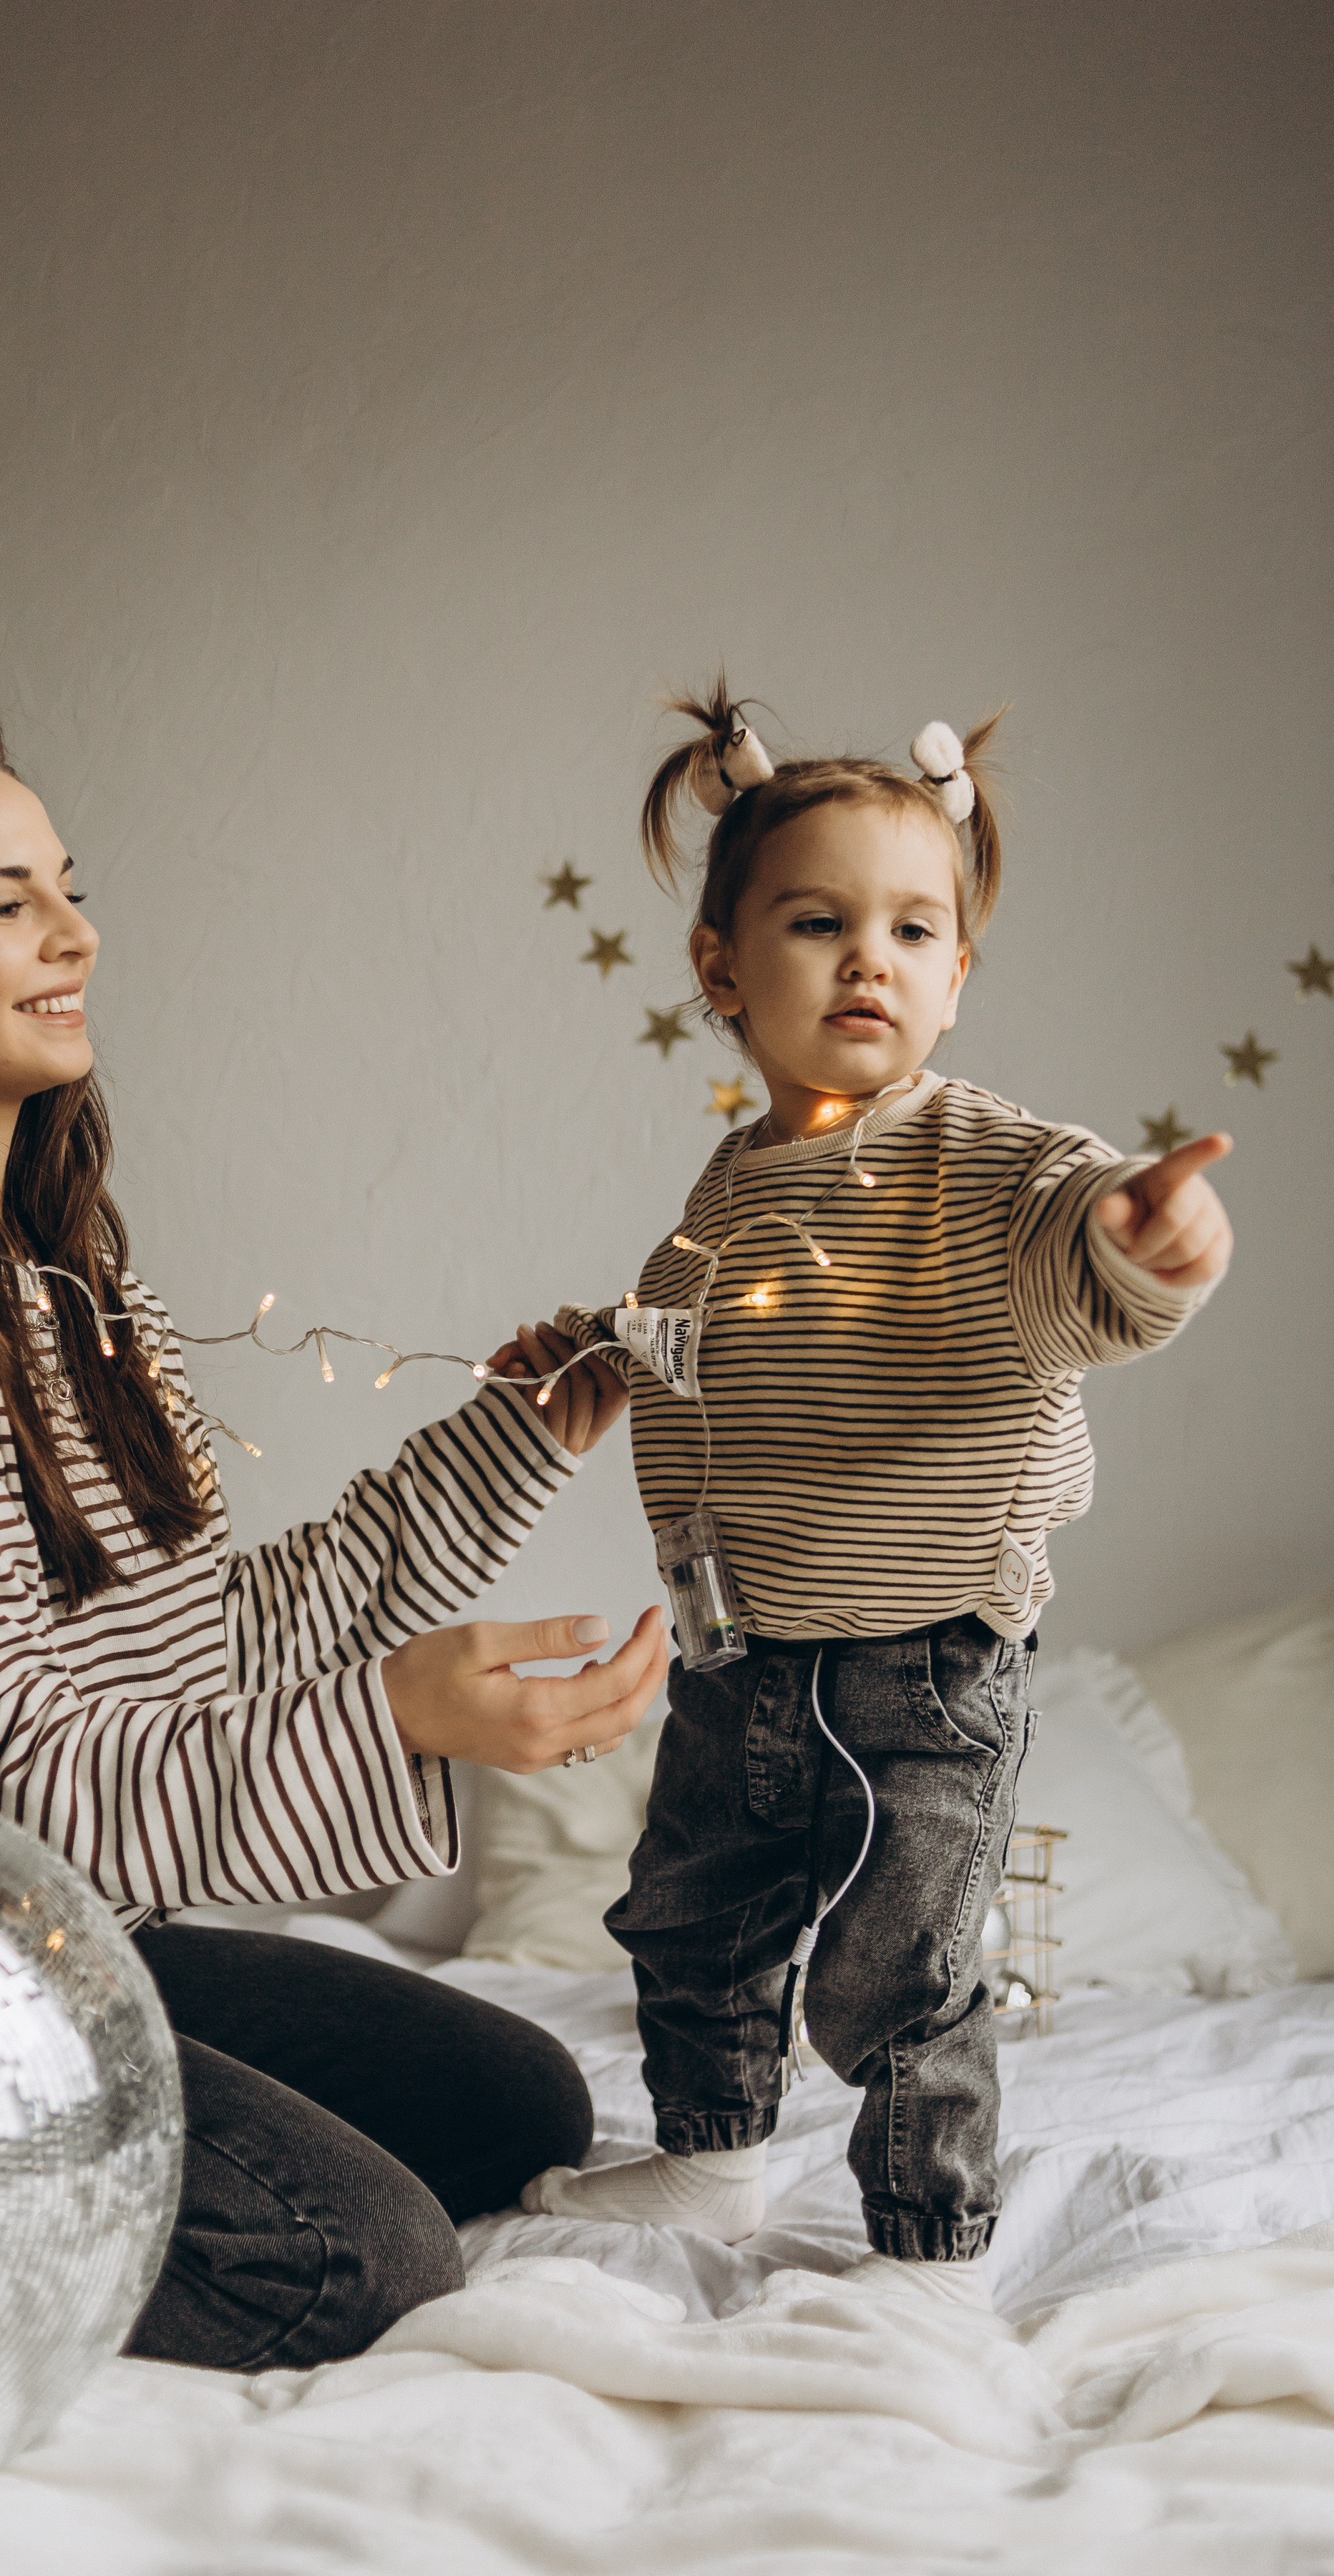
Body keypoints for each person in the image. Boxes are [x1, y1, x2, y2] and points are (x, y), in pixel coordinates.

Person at [0, 721, 668, 2370]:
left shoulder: (58, 1278)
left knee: (516, 2103)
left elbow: (211, 1645)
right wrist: (396, 1720)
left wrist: (521, 1435)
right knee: (354, 2259)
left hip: (49, 1941)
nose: (76, 935)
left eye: (70, 888)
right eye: (6, 902)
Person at [523, 683, 1232, 2303]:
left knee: (898, 1971)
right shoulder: (726, 1196)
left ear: (958, 980)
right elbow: (713, 1361)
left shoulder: (981, 1165)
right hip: (738, 1650)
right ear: (722, 971)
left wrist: (1148, 1245)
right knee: (692, 1918)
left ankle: (927, 2237)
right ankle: (708, 2159)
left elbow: (1079, 1249)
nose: (872, 960)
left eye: (917, 931)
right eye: (821, 921)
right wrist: (597, 1351)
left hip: (925, 1660)